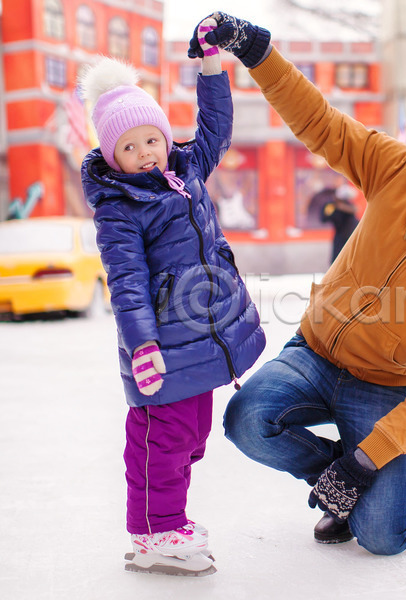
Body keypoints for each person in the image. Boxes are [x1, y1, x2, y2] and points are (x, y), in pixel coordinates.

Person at [200, 13, 406, 556]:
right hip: (317, 351)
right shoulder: (402, 171)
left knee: (384, 535)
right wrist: (258, 53)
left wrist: (369, 458)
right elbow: (322, 125)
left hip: (386, 385)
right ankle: (340, 486)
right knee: (247, 421)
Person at [80, 18, 265, 575]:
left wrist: (210, 66)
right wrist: (143, 347)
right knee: (171, 437)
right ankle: (165, 530)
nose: (145, 154)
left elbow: (216, 128)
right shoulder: (121, 209)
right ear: (113, 158)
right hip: (165, 346)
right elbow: (127, 285)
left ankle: (145, 530)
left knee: (166, 435)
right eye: (129, 147)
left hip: (196, 343)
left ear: (165, 136)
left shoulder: (186, 171)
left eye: (151, 139)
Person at [319, 185, 360, 263]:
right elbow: (324, 218)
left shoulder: (346, 204)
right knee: (337, 260)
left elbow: (355, 209)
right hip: (340, 236)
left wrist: (340, 206)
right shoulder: (331, 205)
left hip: (351, 235)